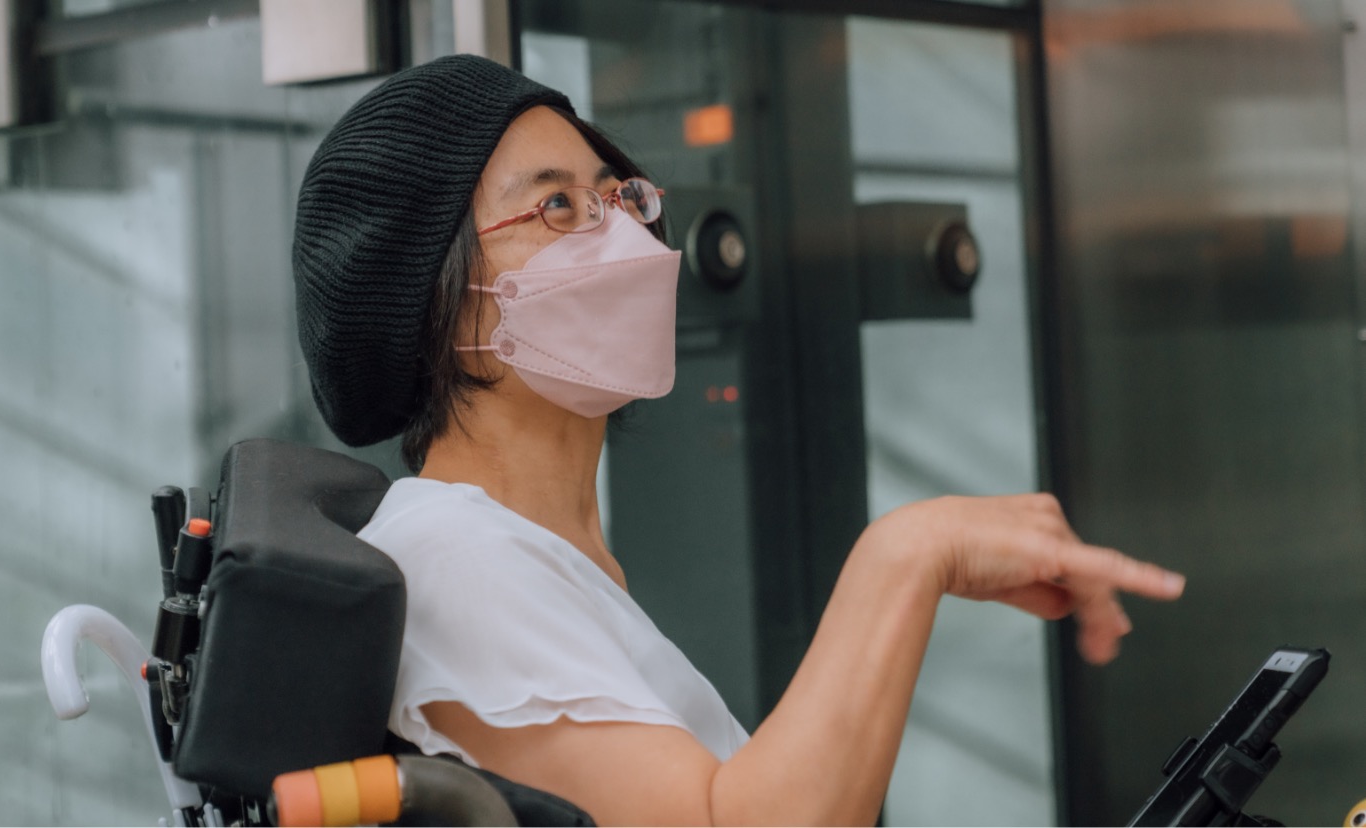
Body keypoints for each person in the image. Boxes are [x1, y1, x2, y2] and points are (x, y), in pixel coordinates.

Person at [291, 54, 1185, 827]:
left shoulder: (539, 558)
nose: (627, 237)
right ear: (433, 306)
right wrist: (913, 553)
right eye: (557, 208)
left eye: (617, 195)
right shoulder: (455, 559)